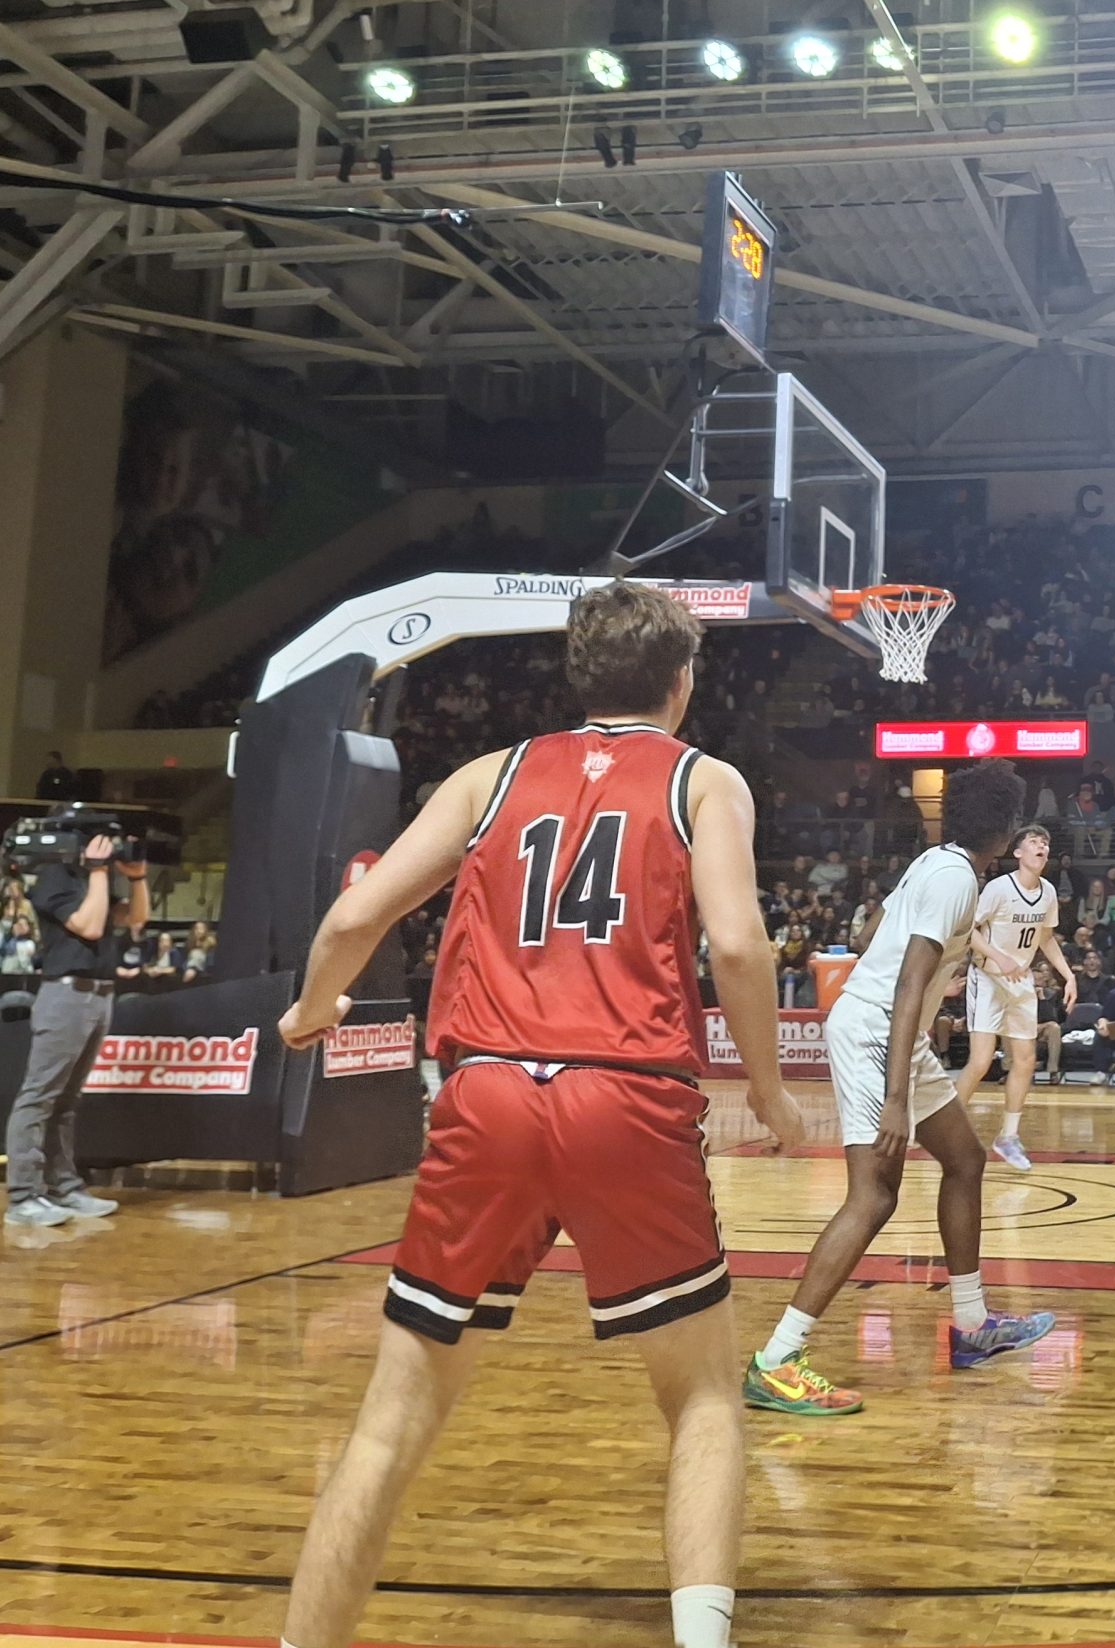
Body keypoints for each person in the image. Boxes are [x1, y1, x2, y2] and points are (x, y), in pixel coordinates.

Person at [268, 580, 797, 1648]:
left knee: (390, 1419)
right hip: (625, 1095)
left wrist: (310, 1010)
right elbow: (738, 947)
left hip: (489, 1091)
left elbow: (357, 912)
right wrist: (772, 1093)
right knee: (699, 1399)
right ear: (680, 683)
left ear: (577, 675)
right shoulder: (704, 780)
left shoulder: (490, 774)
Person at [750, 759, 1056, 1414]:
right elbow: (908, 983)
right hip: (875, 1034)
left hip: (891, 1032)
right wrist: (894, 1098)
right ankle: (776, 1359)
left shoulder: (938, 864)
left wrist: (929, 952)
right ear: (1003, 834)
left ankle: (972, 1326)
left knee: (965, 1160)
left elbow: (867, 935)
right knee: (874, 1197)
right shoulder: (954, 879)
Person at [5, 818, 152, 1225]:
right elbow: (87, 925)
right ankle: (23, 1196)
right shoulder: (54, 876)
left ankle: (64, 1187)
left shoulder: (94, 878)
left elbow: (134, 919)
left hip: (99, 993)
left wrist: (137, 879)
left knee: (66, 1101)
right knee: (39, 1095)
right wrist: (100, 872)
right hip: (65, 994)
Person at [953, 825, 1075, 1172]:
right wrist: (999, 956)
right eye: (1035, 842)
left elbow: (1046, 938)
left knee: (1025, 1060)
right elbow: (967, 930)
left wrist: (1069, 975)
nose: (1043, 847)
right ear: (1018, 852)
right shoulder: (997, 889)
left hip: (1020, 981)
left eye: (1046, 844)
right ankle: (943, 1126)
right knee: (980, 1062)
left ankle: (1008, 1136)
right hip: (988, 978)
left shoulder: (1049, 892)